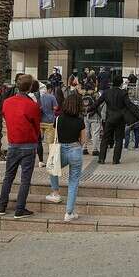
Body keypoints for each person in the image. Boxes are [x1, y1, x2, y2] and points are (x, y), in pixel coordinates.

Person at [0, 74, 41, 219]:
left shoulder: (7, 102)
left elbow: (6, 117)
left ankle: (1, 206)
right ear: (29, 88)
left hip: (13, 143)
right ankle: (20, 209)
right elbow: (36, 125)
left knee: (8, 176)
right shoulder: (32, 105)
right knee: (25, 179)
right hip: (28, 144)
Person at [45, 93, 86, 222]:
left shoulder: (58, 119)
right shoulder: (80, 121)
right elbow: (84, 140)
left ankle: (55, 193)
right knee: (73, 182)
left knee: (53, 168)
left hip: (60, 149)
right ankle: (69, 213)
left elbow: (54, 134)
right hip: (75, 150)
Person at [91, 75, 133, 164]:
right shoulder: (123, 93)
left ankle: (101, 159)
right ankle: (115, 160)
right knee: (119, 139)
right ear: (121, 83)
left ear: (112, 83)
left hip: (109, 118)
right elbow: (129, 105)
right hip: (120, 119)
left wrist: (89, 109)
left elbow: (97, 103)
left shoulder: (106, 92)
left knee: (105, 138)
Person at [28, 80, 46, 168]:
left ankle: (29, 160)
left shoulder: (27, 96)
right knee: (39, 142)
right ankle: (41, 161)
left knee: (29, 142)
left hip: (28, 121)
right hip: (37, 120)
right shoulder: (40, 94)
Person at [39, 83, 59, 160]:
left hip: (40, 121)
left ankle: (40, 159)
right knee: (50, 142)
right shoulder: (52, 97)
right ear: (50, 89)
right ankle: (51, 159)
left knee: (39, 141)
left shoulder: (40, 97)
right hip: (50, 121)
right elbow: (55, 107)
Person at [82, 90, 101, 156]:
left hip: (85, 116)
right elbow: (98, 105)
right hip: (95, 116)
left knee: (86, 132)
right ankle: (95, 149)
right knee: (95, 133)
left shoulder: (84, 96)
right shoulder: (95, 95)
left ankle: (84, 148)